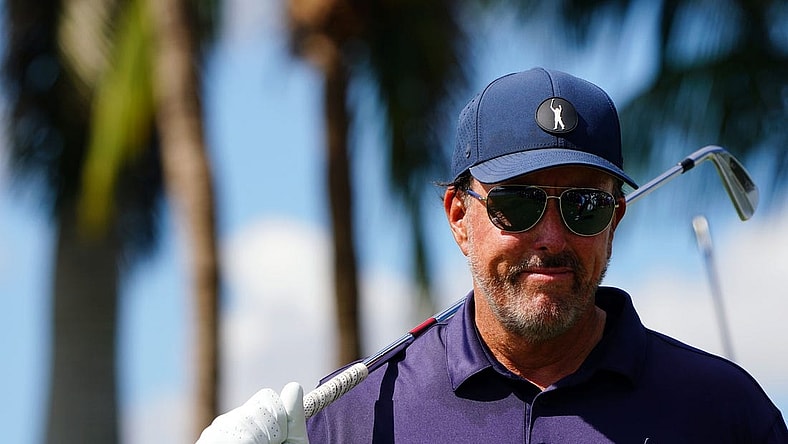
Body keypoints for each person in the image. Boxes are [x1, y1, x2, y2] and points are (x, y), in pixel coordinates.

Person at [197, 67, 788, 443]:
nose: (551, 238)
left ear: (615, 220)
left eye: (583, 206)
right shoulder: (355, 417)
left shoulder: (724, 412)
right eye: (517, 204)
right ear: (459, 216)